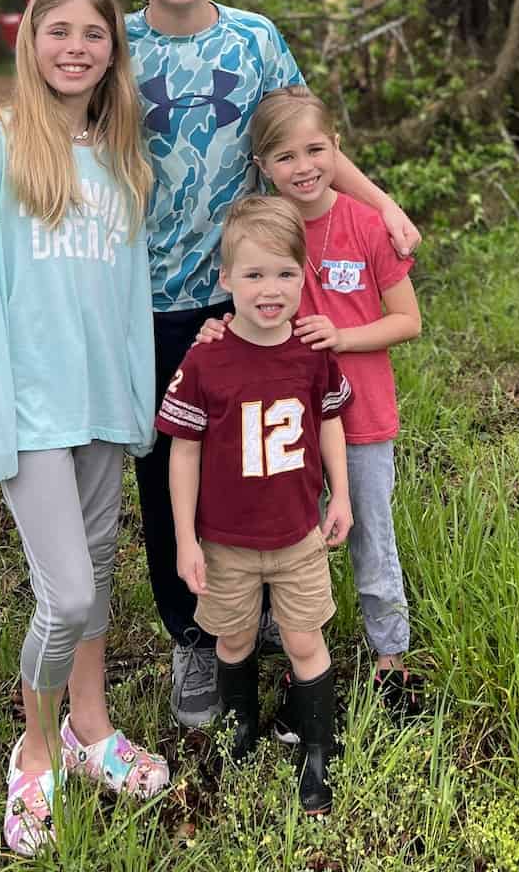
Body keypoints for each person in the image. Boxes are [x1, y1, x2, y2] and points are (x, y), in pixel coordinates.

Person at [0, 0, 421, 733]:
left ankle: (270, 606)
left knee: (265, 459)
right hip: (148, 305)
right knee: (171, 477)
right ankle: (194, 636)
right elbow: (58, 96)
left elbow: (307, 136)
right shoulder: (123, 50)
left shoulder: (256, 39)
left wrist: (381, 204)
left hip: (250, 293)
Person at [0, 0, 168, 860]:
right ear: (30, 42)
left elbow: (124, 300)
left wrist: (135, 404)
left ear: (115, 51)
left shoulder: (119, 158)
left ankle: (92, 729)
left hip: (101, 406)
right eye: (58, 31)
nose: (76, 47)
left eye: (95, 34)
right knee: (64, 593)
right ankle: (34, 752)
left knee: (100, 577)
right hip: (31, 414)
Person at [203, 86, 424, 715]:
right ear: (262, 167)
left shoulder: (363, 223)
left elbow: (407, 320)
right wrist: (218, 330)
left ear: (337, 149)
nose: (302, 167)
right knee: (286, 538)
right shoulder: (265, 228)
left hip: (361, 418)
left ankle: (391, 663)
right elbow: (247, 305)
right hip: (285, 424)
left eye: (315, 150)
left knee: (371, 539)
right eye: (284, 157)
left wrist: (342, 337)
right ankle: (298, 658)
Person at [158, 195, 352, 815]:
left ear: (304, 275)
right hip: (225, 540)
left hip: (297, 535)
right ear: (226, 280)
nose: (270, 290)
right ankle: (240, 726)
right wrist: (185, 539)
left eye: (285, 274)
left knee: (302, 639)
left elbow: (329, 424)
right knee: (234, 636)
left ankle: (316, 747)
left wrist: (340, 494)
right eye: (253, 274)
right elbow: (183, 452)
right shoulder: (206, 357)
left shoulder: (312, 350)